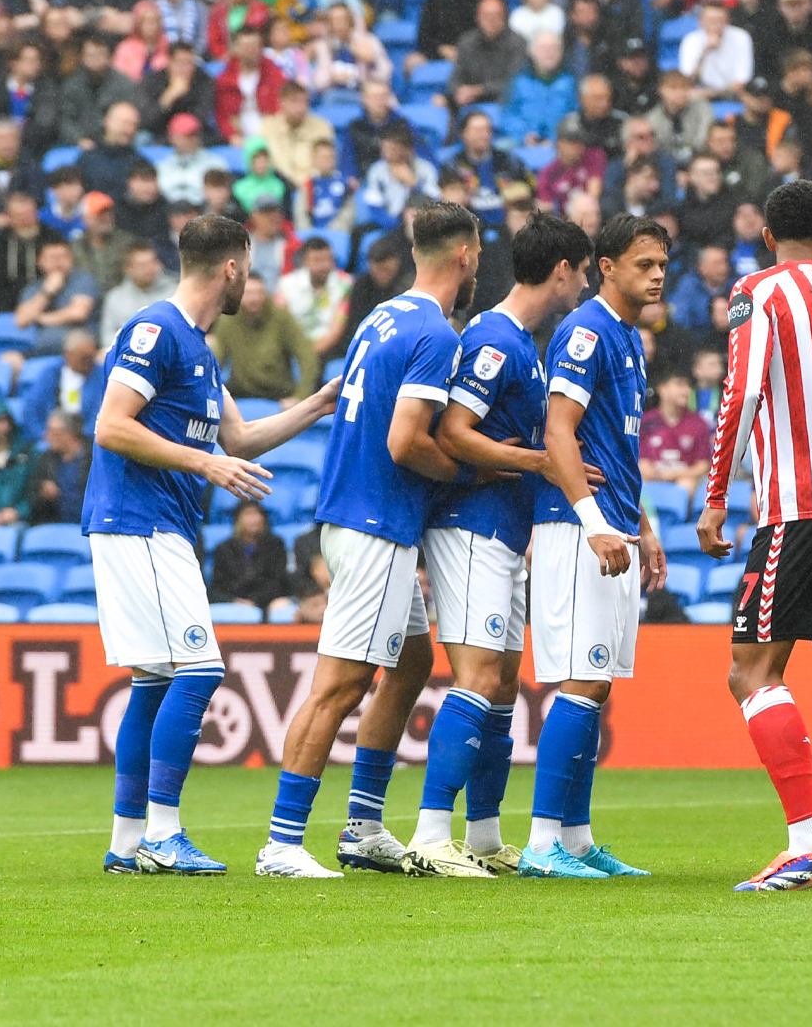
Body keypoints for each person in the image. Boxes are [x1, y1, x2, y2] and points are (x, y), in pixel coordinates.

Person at [90, 214, 338, 876]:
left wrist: (317, 404)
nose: (250, 278)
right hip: (136, 519)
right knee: (199, 670)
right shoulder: (155, 330)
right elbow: (111, 426)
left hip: (160, 525)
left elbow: (240, 441)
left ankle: (125, 840)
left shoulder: (198, 348)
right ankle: (164, 834)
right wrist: (201, 466)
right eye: (250, 266)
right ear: (232, 267)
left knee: (155, 680)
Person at [256, 202, 479, 879]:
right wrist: (462, 474)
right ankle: (282, 842)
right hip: (376, 523)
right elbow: (405, 440)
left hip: (359, 516)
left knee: (410, 664)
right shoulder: (436, 334)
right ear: (466, 256)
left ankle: (362, 825)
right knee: (341, 685)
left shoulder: (378, 317)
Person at [690, 183, 812, 891]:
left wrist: (716, 497)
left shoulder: (760, 291)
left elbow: (740, 392)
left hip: (799, 506)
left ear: (768, 236)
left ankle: (807, 841)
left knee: (751, 669)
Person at [399, 212, 596, 879]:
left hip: (504, 532)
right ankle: (429, 835)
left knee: (504, 685)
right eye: (584, 271)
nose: (586, 285)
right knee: (478, 677)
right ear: (562, 270)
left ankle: (482, 836)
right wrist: (540, 463)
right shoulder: (495, 340)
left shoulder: (523, 345)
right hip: (472, 526)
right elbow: (454, 430)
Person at [490, 213, 668, 880]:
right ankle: (540, 844)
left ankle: (576, 837)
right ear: (607, 266)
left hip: (613, 523)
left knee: (599, 688)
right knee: (582, 679)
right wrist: (593, 520)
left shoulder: (627, 338)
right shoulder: (586, 330)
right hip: (576, 529)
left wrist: (640, 523)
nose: (655, 276)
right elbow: (557, 432)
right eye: (643, 264)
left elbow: (615, 446)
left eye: (661, 265)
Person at [213, 274, 320, 405]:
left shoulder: (282, 317)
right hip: (240, 392)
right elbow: (217, 360)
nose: (254, 298)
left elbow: (306, 356)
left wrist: (300, 397)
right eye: (249, 293)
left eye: (259, 293)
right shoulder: (227, 319)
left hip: (278, 393)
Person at [637, 372, 712, 493]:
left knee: (687, 484)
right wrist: (655, 474)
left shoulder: (699, 423)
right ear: (662, 388)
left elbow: (702, 465)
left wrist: (674, 474)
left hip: (684, 478)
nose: (686, 391)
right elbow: (642, 461)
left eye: (688, 386)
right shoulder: (646, 421)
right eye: (679, 385)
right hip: (653, 478)